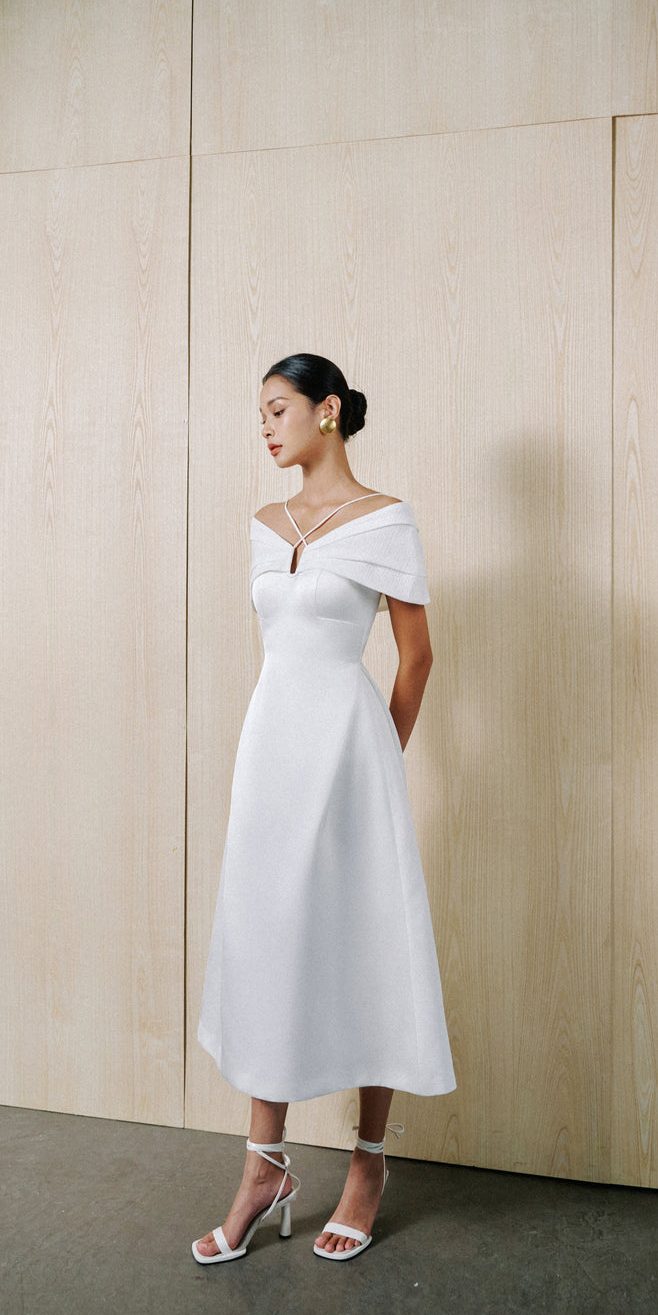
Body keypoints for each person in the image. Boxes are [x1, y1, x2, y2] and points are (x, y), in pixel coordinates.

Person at [193, 353, 455, 1264]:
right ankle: (263, 1165)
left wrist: (376, 759)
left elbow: (417, 657)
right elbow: (285, 647)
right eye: (260, 413)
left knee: (366, 936)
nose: (265, 426)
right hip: (271, 750)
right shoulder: (266, 526)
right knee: (268, 935)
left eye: (279, 409)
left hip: (351, 755)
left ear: (328, 409)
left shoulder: (387, 519)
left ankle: (367, 1162)